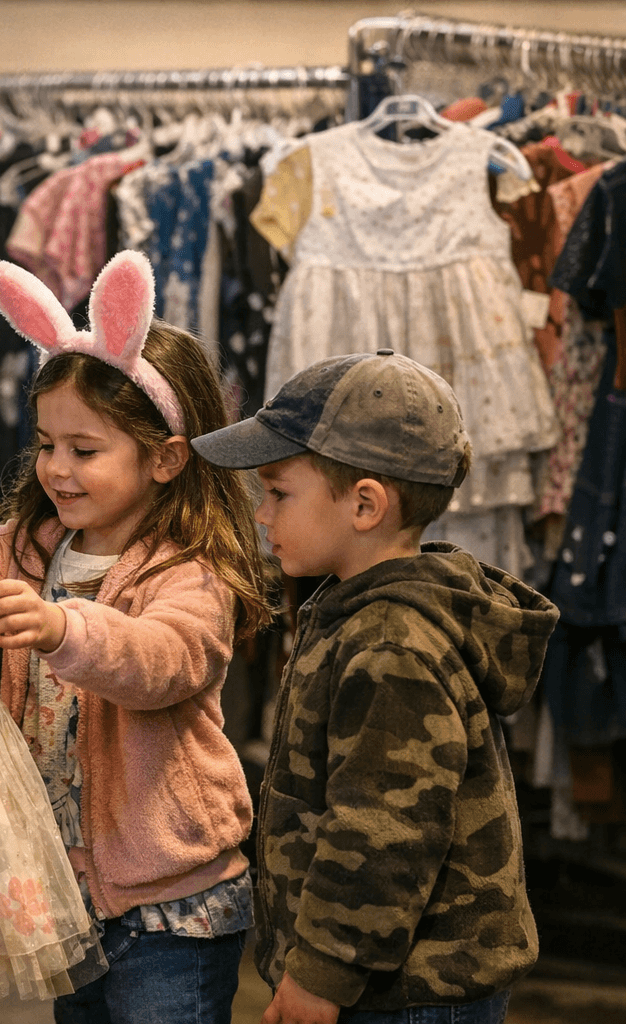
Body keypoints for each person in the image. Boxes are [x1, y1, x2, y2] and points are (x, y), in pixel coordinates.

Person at [189, 349, 560, 1024]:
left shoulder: (393, 641)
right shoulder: (359, 610)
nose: (261, 515)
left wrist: (322, 978)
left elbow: (383, 832)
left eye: (278, 493)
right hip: (385, 978)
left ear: (364, 504)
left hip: (405, 992)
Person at [0, 253, 274, 1024]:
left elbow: (161, 662)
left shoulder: (188, 572)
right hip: (63, 886)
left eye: (85, 450)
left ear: (167, 458)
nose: (57, 470)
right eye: (46, 445)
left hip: (172, 899)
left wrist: (61, 626)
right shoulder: (24, 546)